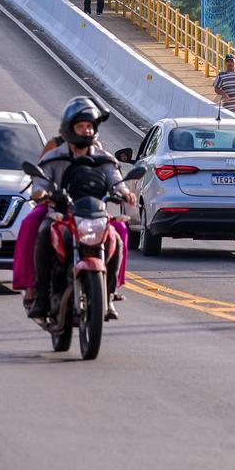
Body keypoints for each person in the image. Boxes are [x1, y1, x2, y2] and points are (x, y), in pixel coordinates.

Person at [27, 97, 135, 321]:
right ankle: (41, 297)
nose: (86, 131)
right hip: (62, 214)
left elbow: (115, 178)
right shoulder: (55, 156)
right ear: (70, 127)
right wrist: (41, 192)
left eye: (89, 126)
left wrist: (124, 192)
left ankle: (109, 294)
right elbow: (40, 182)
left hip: (94, 214)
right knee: (45, 233)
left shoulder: (102, 157)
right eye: (81, 126)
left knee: (116, 239)